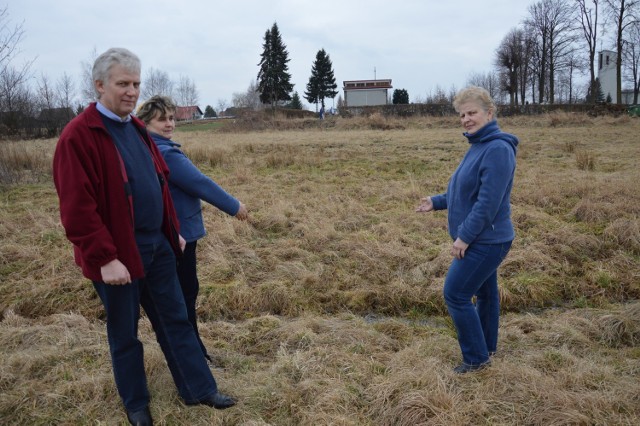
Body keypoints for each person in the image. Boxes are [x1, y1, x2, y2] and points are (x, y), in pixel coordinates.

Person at [52, 48, 235, 426]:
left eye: (136, 83)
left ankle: (199, 390)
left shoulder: (136, 128)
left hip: (159, 247)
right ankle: (137, 406)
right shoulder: (78, 137)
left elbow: (160, 183)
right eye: (123, 83)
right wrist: (105, 258)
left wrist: (173, 232)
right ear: (100, 85)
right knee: (126, 335)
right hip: (117, 256)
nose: (132, 91)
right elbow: (76, 211)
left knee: (177, 320)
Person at [136, 95, 248, 364]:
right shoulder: (166, 154)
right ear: (145, 123)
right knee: (185, 295)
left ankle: (192, 351)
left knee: (181, 295)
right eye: (162, 119)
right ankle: (194, 354)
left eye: (172, 118)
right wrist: (235, 206)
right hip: (180, 236)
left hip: (168, 234)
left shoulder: (147, 149)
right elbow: (200, 183)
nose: (169, 124)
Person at [416, 86, 518, 374]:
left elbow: (487, 204)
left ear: (489, 112)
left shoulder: (497, 149)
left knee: (456, 294)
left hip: (487, 240)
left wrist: (464, 238)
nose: (466, 119)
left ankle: (476, 359)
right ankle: (487, 347)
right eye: (462, 114)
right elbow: (466, 193)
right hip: (482, 238)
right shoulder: (479, 145)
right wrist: (435, 202)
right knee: (485, 294)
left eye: (472, 112)